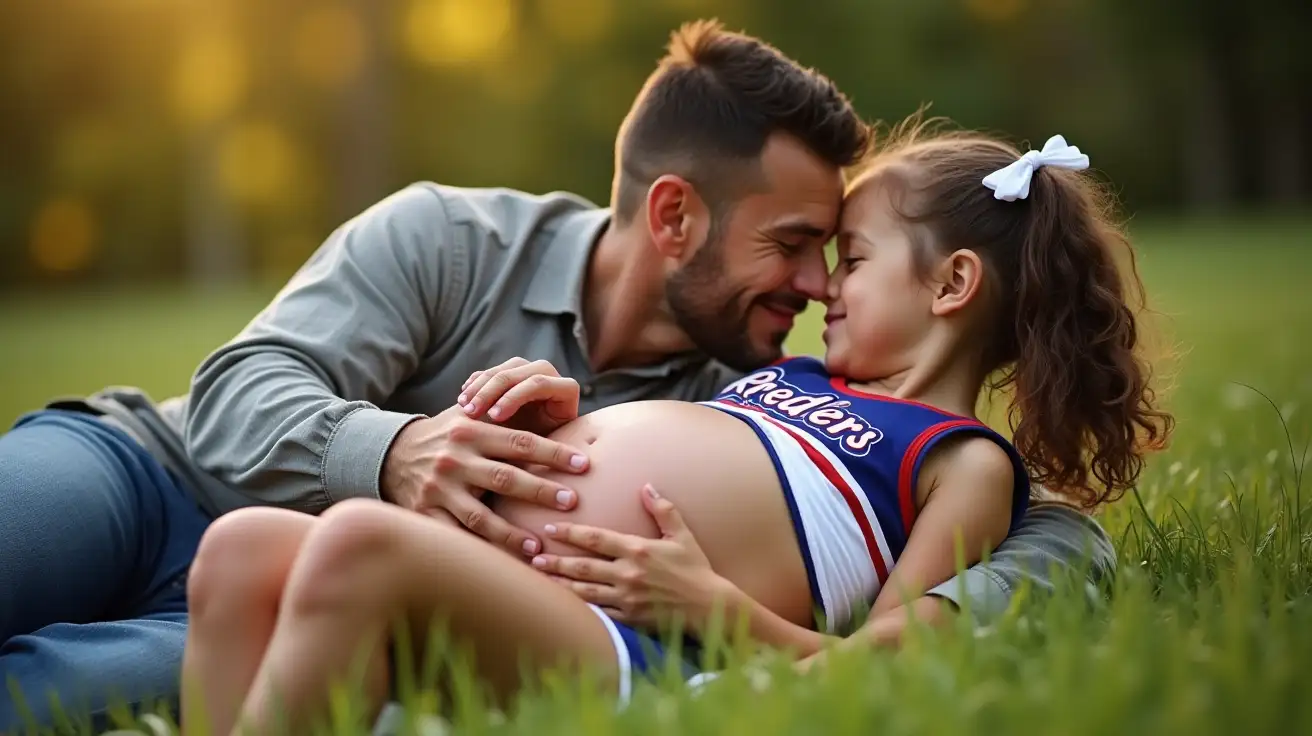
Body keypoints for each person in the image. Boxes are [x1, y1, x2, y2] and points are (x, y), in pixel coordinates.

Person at [0, 19, 1108, 732]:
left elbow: (969, 524)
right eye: (795, 245)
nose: (818, 286)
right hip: (151, 473)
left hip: (325, 587)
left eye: (842, 256)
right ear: (674, 215)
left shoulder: (762, 389)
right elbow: (240, 387)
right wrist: (396, 447)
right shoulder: (449, 235)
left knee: (54, 696)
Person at [179, 115, 1173, 735]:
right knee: (239, 549)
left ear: (952, 283)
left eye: (856, 260)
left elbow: (886, 658)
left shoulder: (960, 464)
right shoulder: (786, 376)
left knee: (355, 542)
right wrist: (561, 417)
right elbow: (681, 460)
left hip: (638, 647)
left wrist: (709, 607)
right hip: (524, 577)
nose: (825, 283)